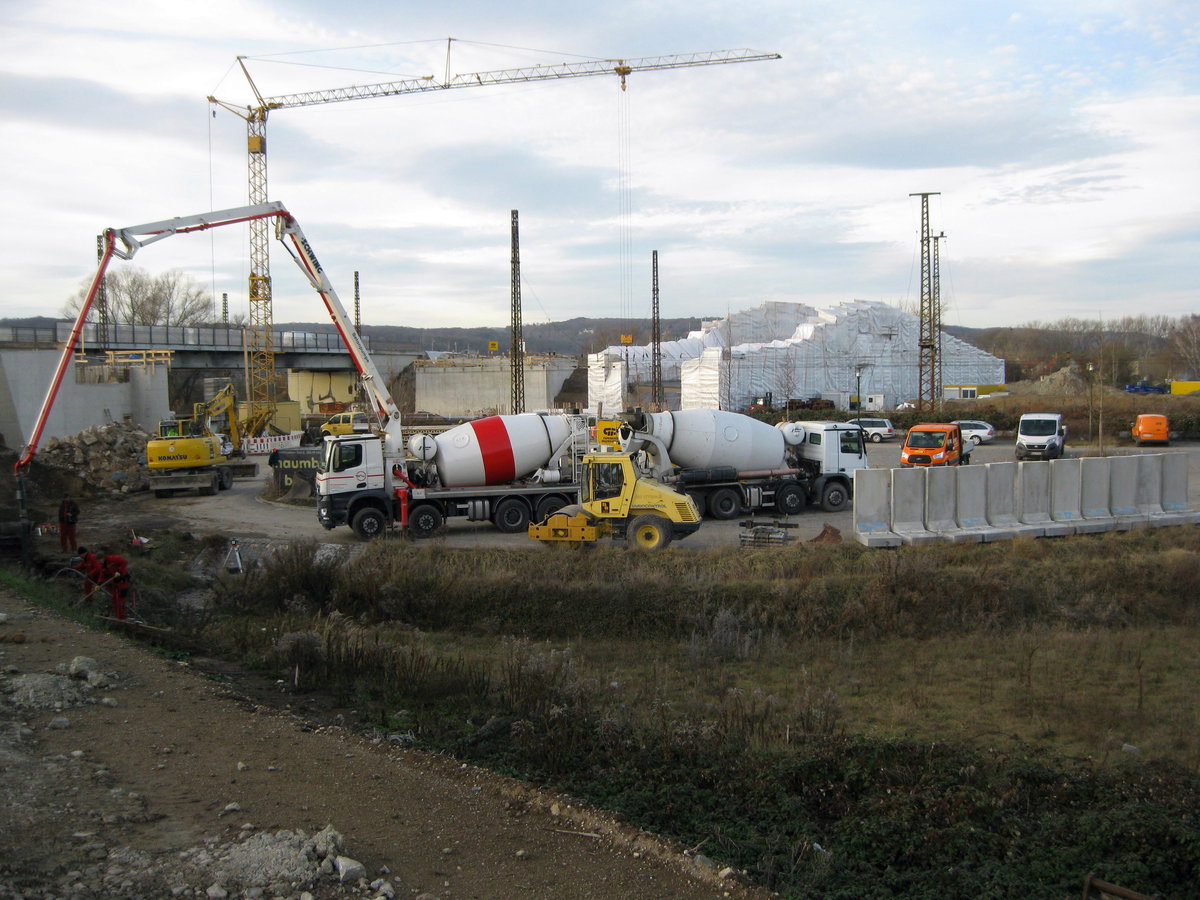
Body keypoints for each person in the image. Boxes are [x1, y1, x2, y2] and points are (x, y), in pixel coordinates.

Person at [99, 550, 131, 621]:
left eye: (100, 560)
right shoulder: (103, 566)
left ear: (103, 558)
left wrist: (119, 571)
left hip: (123, 581)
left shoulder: (113, 558)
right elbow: (102, 575)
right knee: (114, 599)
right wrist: (99, 584)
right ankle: (117, 616)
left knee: (121, 599)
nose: (99, 562)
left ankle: (122, 616)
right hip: (115, 583)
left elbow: (124, 562)